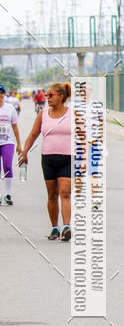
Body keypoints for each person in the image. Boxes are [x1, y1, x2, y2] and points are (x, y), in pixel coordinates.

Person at [19, 82, 73, 241]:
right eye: (46, 95)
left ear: (61, 96)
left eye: (51, 95)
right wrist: (25, 151)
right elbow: (33, 134)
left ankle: (66, 227)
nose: (47, 98)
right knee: (52, 194)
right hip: (48, 159)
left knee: (65, 192)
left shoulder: (73, 114)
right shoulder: (43, 114)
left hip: (68, 159)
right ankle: (55, 228)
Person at [0, 85, 22, 205]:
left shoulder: (10, 108)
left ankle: (8, 194)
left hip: (7, 142)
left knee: (7, 166)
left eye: (1, 92)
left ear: (4, 95)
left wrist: (19, 144)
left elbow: (15, 127)